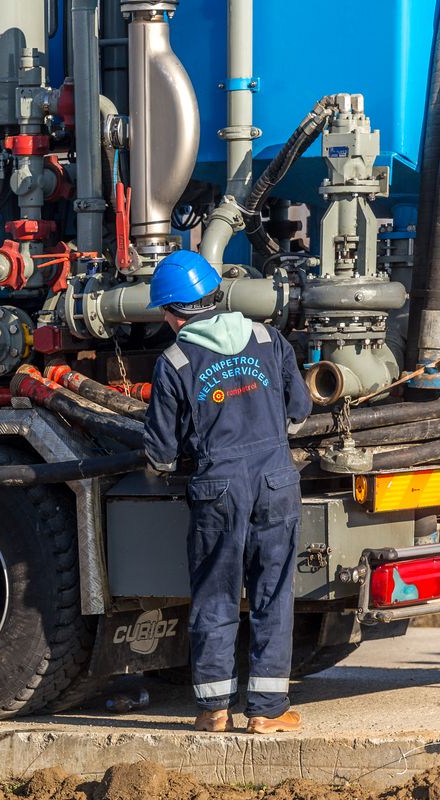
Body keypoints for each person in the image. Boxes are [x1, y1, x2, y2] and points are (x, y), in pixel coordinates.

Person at [142, 250, 311, 734]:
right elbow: (299, 412)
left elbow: (161, 453)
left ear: (173, 313)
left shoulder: (175, 360)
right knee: (272, 594)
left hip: (219, 489)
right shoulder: (268, 338)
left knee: (216, 596)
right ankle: (267, 713)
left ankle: (215, 710)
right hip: (276, 480)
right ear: (217, 296)